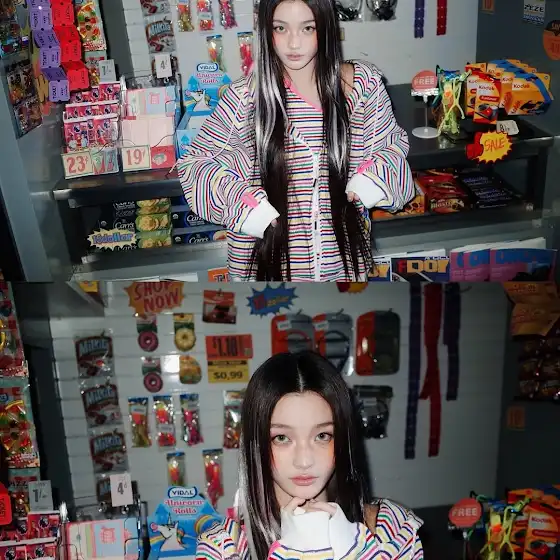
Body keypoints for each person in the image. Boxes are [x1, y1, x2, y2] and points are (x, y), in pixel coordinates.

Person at [177, 0, 414, 282]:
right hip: (267, 276)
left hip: (343, 271)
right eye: (280, 28)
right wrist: (242, 205)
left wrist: (375, 179)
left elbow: (391, 148)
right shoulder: (245, 98)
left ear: (325, 26)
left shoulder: (362, 88)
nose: (293, 43)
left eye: (307, 28)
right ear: (266, 30)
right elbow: (195, 166)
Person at [196, 350, 423, 559]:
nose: (304, 461)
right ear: (256, 445)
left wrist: (351, 547)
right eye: (281, 438)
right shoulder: (224, 548)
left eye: (323, 436)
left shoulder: (391, 532)